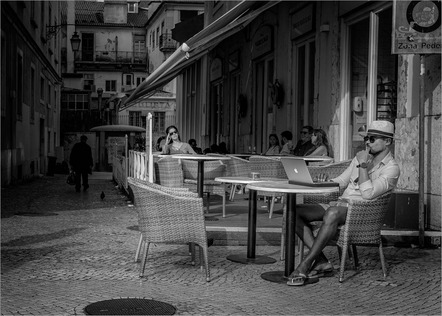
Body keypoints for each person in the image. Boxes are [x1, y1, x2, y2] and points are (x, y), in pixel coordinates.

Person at [287, 120, 400, 286]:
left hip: (361, 212)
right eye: (366, 138)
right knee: (293, 211)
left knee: (332, 213)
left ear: (388, 141)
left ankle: (304, 265)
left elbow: (368, 194)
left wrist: (363, 167)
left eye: (373, 139)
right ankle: (321, 261)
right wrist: (325, 181)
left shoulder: (391, 168)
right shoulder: (359, 158)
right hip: (341, 205)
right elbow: (342, 181)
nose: (368, 142)